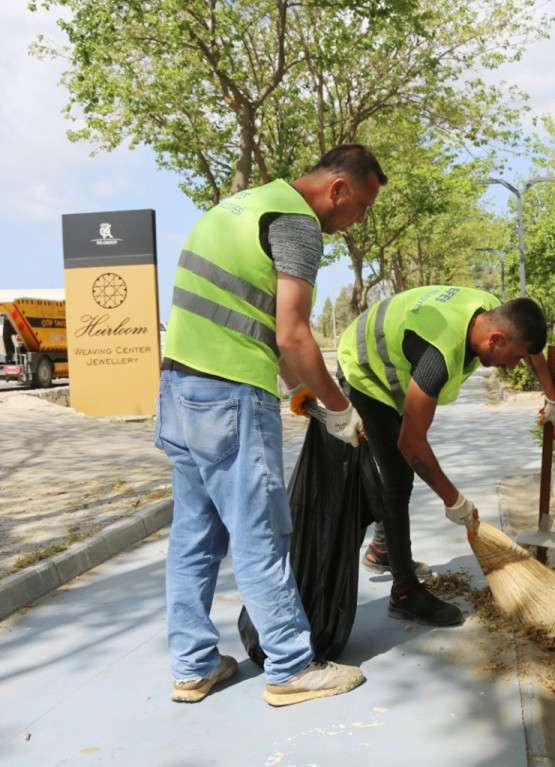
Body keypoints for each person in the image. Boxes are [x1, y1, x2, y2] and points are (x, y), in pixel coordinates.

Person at [155, 144, 386, 707]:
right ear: (337, 189)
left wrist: (303, 393)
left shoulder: (238, 207)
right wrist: (338, 407)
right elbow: (293, 334)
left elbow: (253, 321)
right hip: (231, 395)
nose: (356, 223)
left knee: (195, 535)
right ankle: (290, 665)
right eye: (360, 207)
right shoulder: (298, 225)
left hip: (179, 391)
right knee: (261, 530)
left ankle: (193, 665)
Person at [333, 285, 555, 626]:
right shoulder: (438, 355)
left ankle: (383, 549)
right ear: (496, 340)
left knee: (395, 474)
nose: (514, 367)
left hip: (395, 357)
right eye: (512, 358)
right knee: (398, 476)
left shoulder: (491, 312)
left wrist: (553, 398)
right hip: (365, 369)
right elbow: (412, 444)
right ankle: (404, 593)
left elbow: (530, 348)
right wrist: (453, 499)